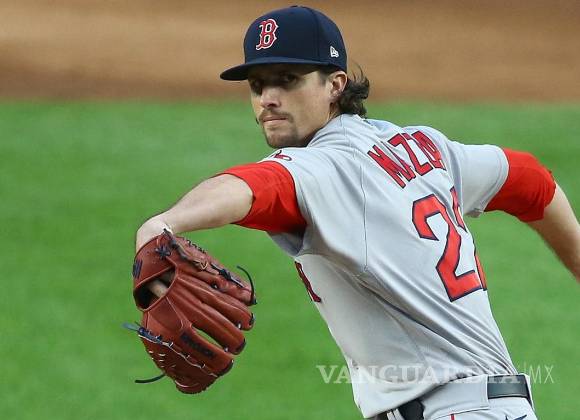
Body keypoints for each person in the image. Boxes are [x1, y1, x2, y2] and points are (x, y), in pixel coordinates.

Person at [135, 6, 579, 420]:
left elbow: (255, 187)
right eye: (257, 84)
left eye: (287, 79)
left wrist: (163, 224)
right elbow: (530, 180)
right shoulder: (423, 147)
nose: (268, 98)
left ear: (335, 85)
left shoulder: (324, 167)